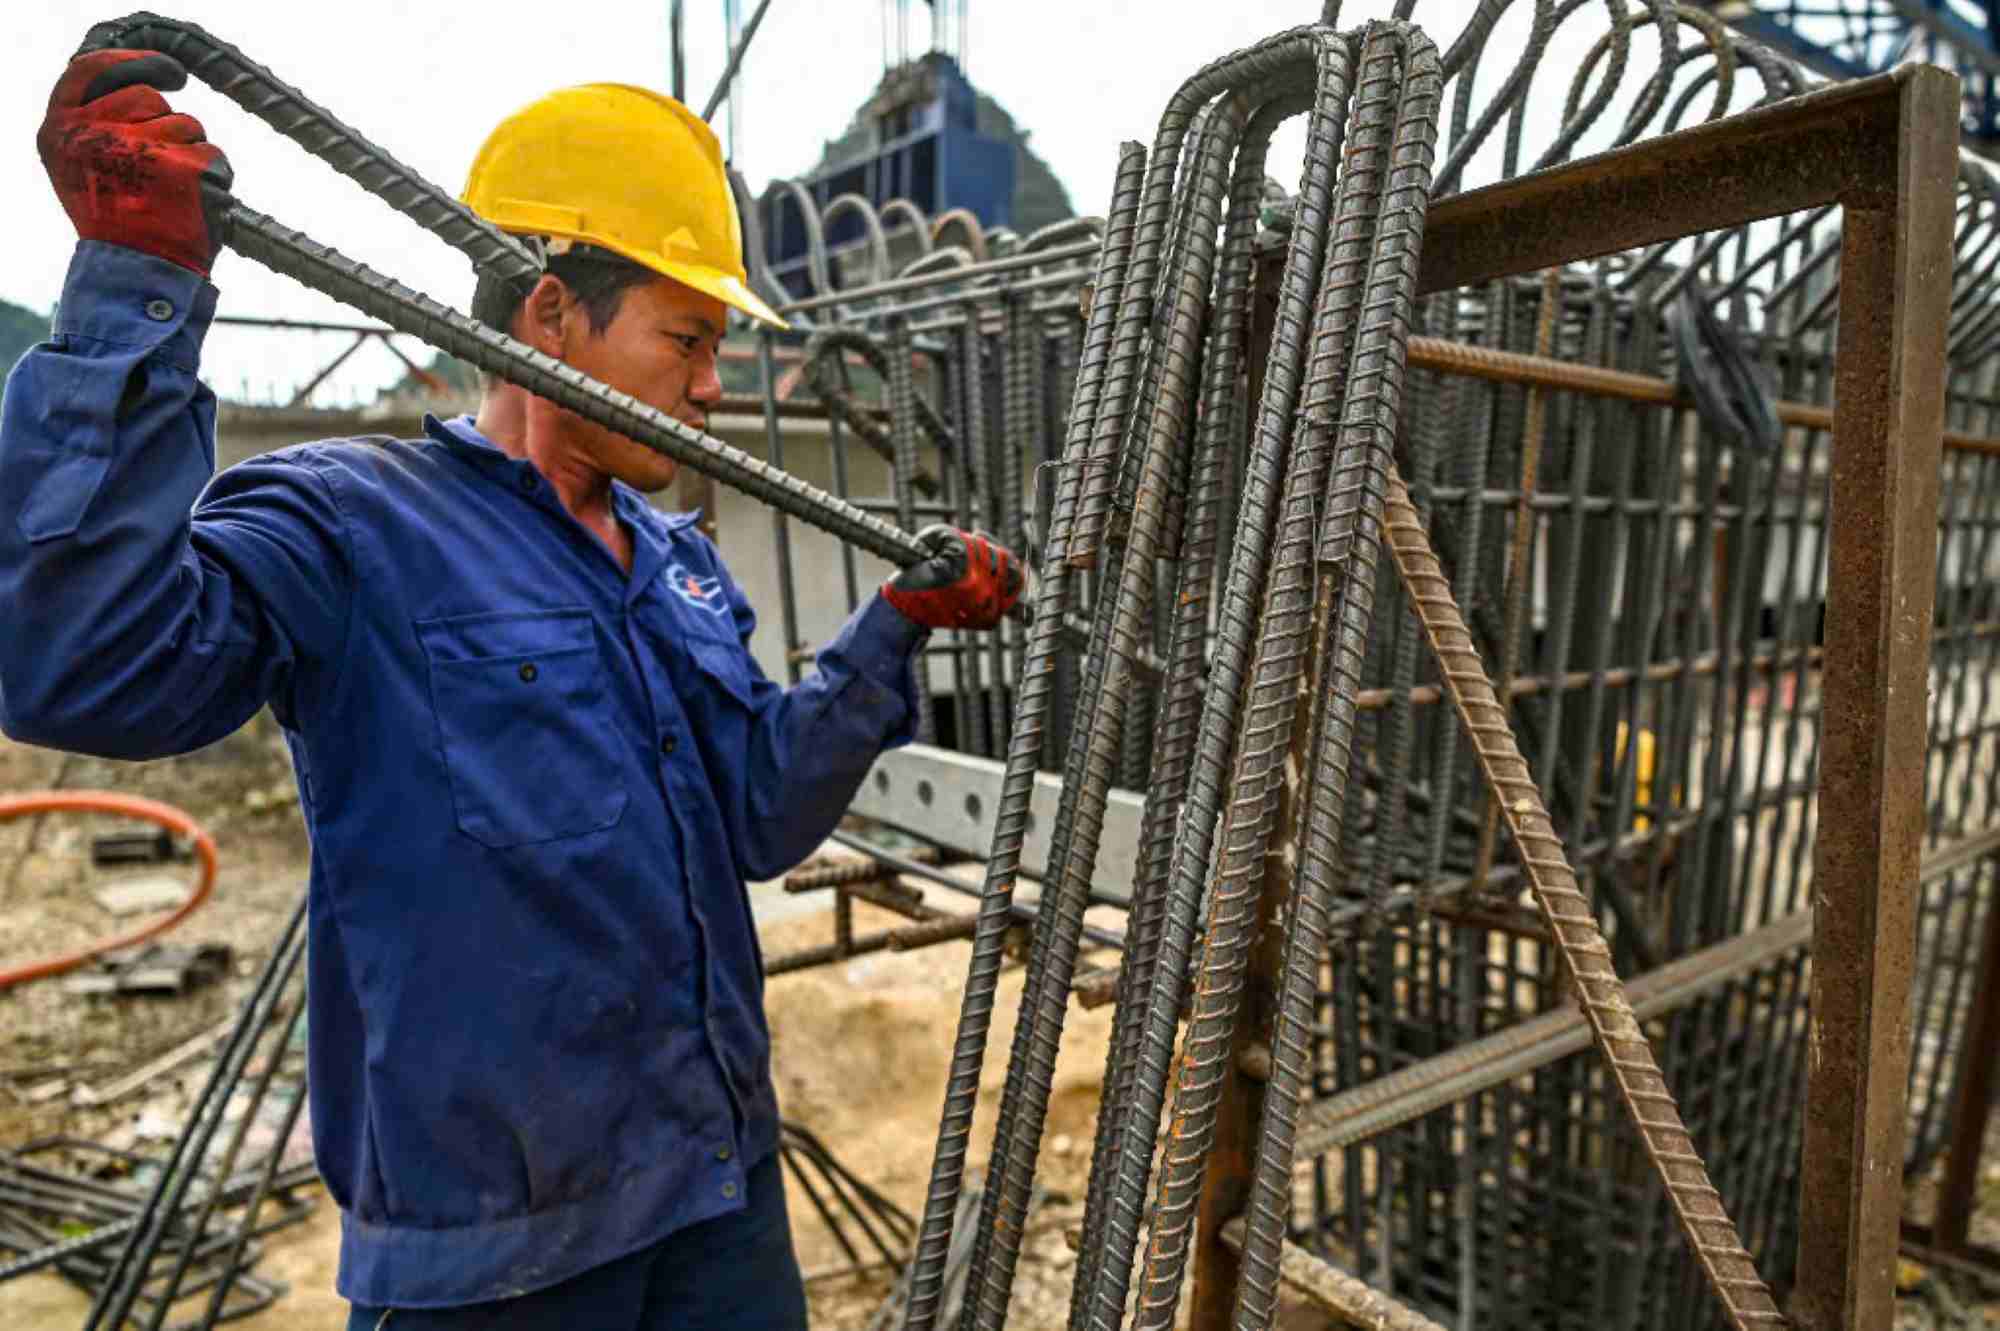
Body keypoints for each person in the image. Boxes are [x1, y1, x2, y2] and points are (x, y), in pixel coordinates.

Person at [3, 50, 1023, 1330]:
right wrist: (135, 291)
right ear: (549, 317)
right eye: (687, 337)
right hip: (497, 1268)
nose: (713, 385)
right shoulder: (353, 526)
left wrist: (889, 634)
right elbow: (81, 666)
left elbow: (756, 810)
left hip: (719, 1200)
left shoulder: (675, 557)